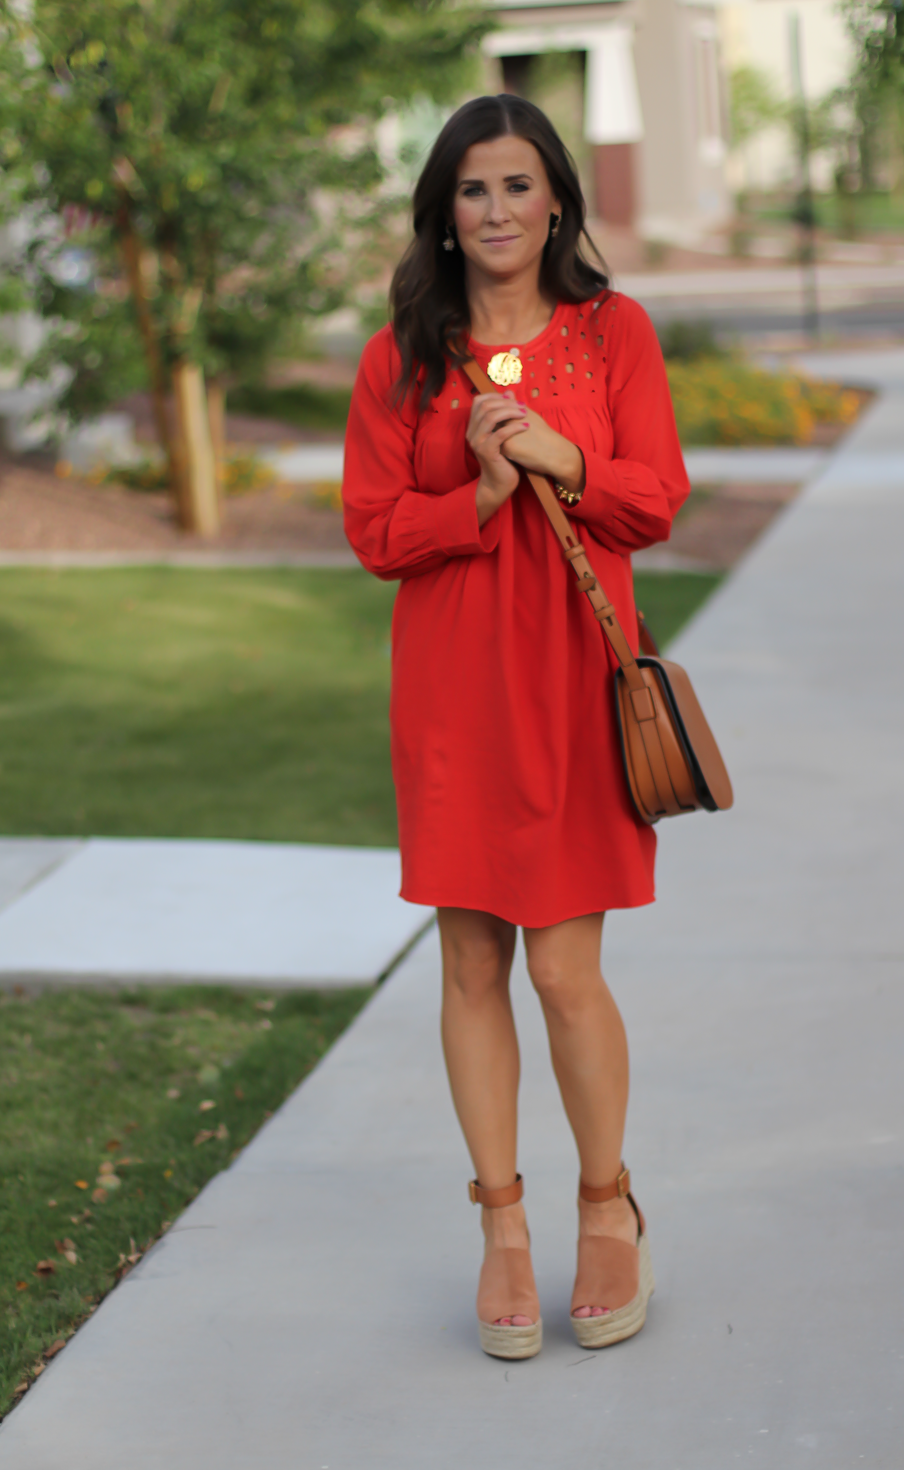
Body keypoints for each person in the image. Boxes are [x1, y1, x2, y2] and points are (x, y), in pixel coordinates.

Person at [342, 94, 689, 1360]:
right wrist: (480, 495)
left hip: (571, 688)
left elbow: (657, 502)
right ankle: (502, 1227)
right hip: (452, 696)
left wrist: (564, 459)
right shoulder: (402, 357)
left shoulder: (613, 336)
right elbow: (377, 532)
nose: (495, 211)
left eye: (518, 186)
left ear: (557, 203)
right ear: (444, 208)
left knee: (561, 968)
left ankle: (610, 1208)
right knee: (473, 964)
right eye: (472, 190)